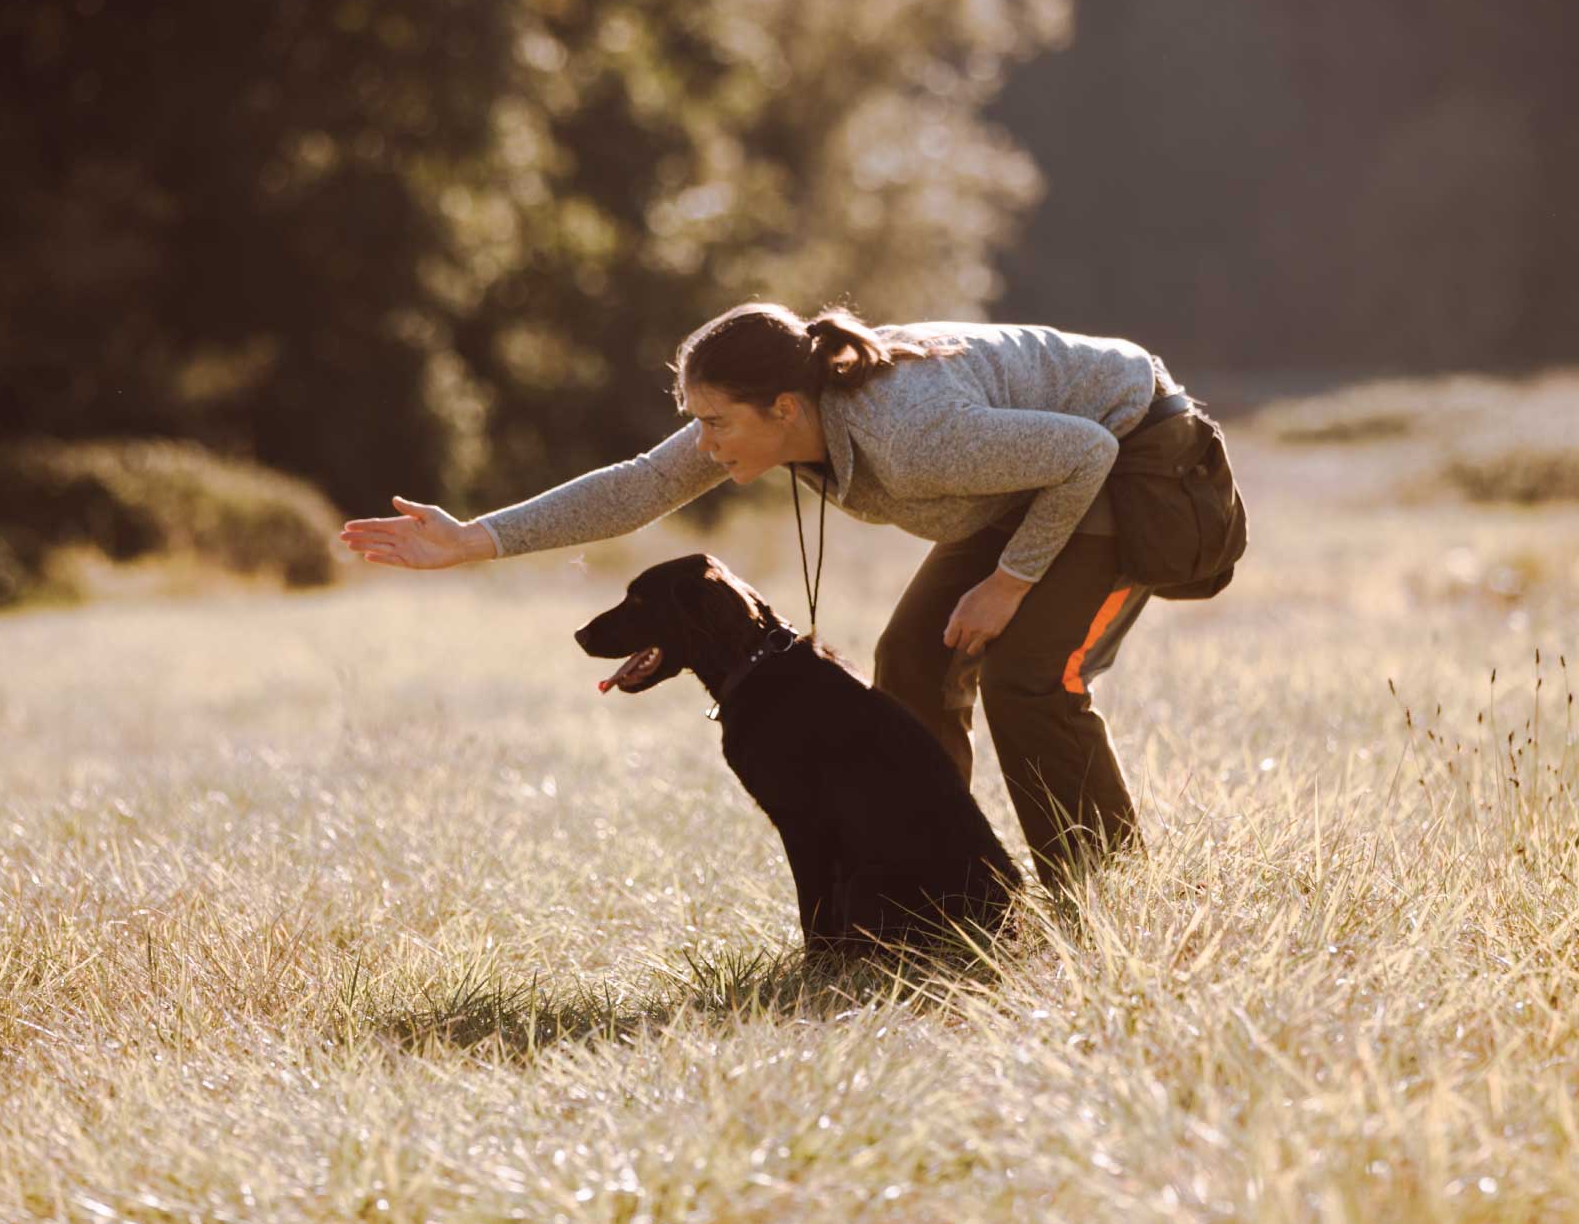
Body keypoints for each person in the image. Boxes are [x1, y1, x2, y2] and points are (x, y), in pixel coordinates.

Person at [339, 301, 1194, 891]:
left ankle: (1100, 895)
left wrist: (1010, 583)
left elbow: (1084, 453)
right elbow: (638, 486)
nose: (704, 447)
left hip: (1137, 453)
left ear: (785, 407)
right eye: (698, 423)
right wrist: (474, 538)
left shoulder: (914, 433)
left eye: (717, 424)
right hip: (1031, 474)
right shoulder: (791, 404)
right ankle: (942, 893)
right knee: (909, 660)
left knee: (1025, 677)